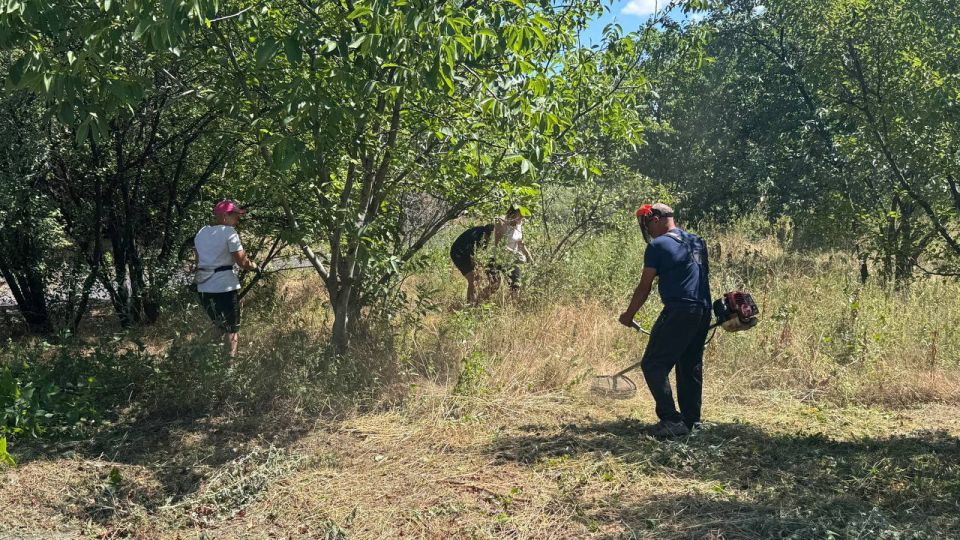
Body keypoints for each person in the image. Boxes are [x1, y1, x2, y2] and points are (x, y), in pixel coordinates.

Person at [619, 203, 711, 437]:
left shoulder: (657, 246)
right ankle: (692, 421)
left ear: (657, 218)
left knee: (653, 364)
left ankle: (671, 420)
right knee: (689, 364)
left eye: (647, 223)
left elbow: (644, 287)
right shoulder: (697, 241)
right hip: (702, 309)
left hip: (679, 310)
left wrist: (629, 315)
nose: (647, 229)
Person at [192, 199, 260, 357]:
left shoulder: (202, 232)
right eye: (235, 216)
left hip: (204, 287)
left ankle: (207, 357)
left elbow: (198, 261)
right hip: (224, 286)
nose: (237, 220)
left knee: (217, 324)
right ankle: (230, 365)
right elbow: (242, 262)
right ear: (224, 216)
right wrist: (255, 267)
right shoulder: (229, 232)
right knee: (232, 327)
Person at [450, 207, 533, 304]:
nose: (521, 219)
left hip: (510, 258)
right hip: (464, 252)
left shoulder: (519, 224)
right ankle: (472, 304)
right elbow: (497, 247)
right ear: (512, 214)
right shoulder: (498, 225)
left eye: (522, 216)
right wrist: (516, 254)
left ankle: (512, 309)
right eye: (519, 216)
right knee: (477, 280)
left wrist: (528, 256)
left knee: (516, 284)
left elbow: (520, 242)